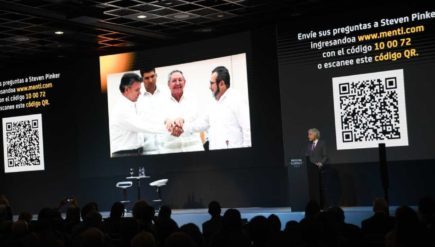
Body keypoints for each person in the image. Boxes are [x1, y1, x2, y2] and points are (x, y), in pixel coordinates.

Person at [173, 66, 251, 150]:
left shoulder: (237, 99)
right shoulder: (212, 102)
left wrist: (246, 154)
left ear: (221, 83)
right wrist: (182, 126)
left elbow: (248, 129)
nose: (209, 87)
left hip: (235, 157)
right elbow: (201, 123)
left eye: (212, 83)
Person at [110, 72, 166, 157]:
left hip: (135, 152)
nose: (140, 93)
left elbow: (147, 119)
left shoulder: (132, 104)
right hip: (125, 154)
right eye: (137, 90)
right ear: (126, 89)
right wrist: (169, 129)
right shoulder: (121, 109)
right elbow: (143, 126)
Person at [161, 70, 204, 153]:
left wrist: (183, 119)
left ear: (184, 82)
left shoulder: (193, 98)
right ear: (168, 84)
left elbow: (195, 116)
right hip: (171, 150)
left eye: (180, 80)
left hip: (193, 148)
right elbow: (161, 118)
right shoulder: (162, 101)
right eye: (174, 81)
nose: (177, 83)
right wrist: (167, 121)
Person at [137, 67, 167, 154]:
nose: (150, 80)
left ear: (156, 75)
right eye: (146, 78)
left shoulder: (166, 92)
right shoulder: (137, 97)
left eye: (152, 76)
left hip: (168, 148)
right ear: (142, 79)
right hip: (148, 151)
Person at [305, 128, 328, 209]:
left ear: (315, 134)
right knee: (313, 188)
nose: (308, 136)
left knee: (320, 188)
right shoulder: (309, 144)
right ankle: (314, 205)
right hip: (311, 170)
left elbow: (325, 156)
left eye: (310, 134)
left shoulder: (322, 143)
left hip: (319, 169)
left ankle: (322, 206)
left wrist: (321, 163)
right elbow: (307, 156)